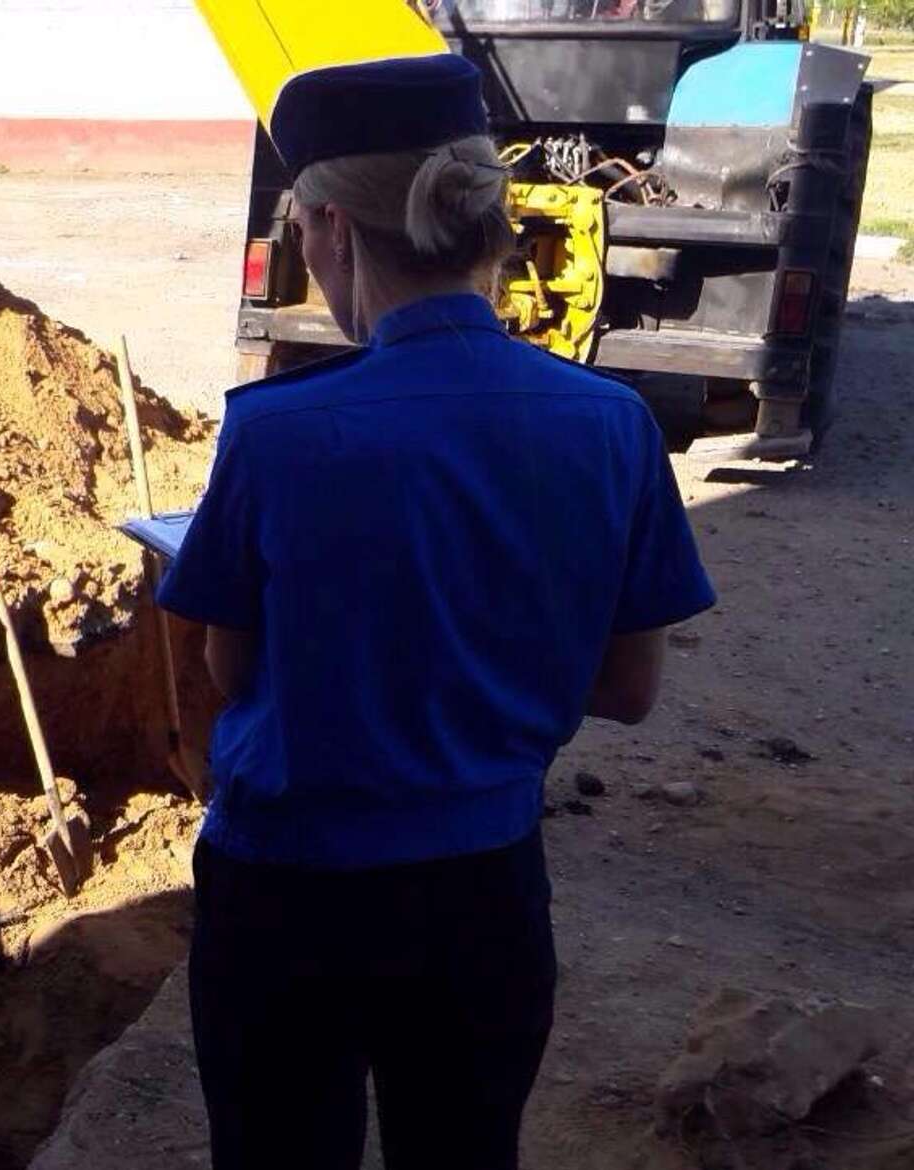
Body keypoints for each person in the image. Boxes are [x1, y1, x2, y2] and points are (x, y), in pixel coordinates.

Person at [157, 53, 714, 1170]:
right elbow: (629, 689)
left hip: (285, 898)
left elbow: (226, 674)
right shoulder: (611, 427)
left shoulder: (273, 432)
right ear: (487, 224)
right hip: (480, 896)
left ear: (326, 228)